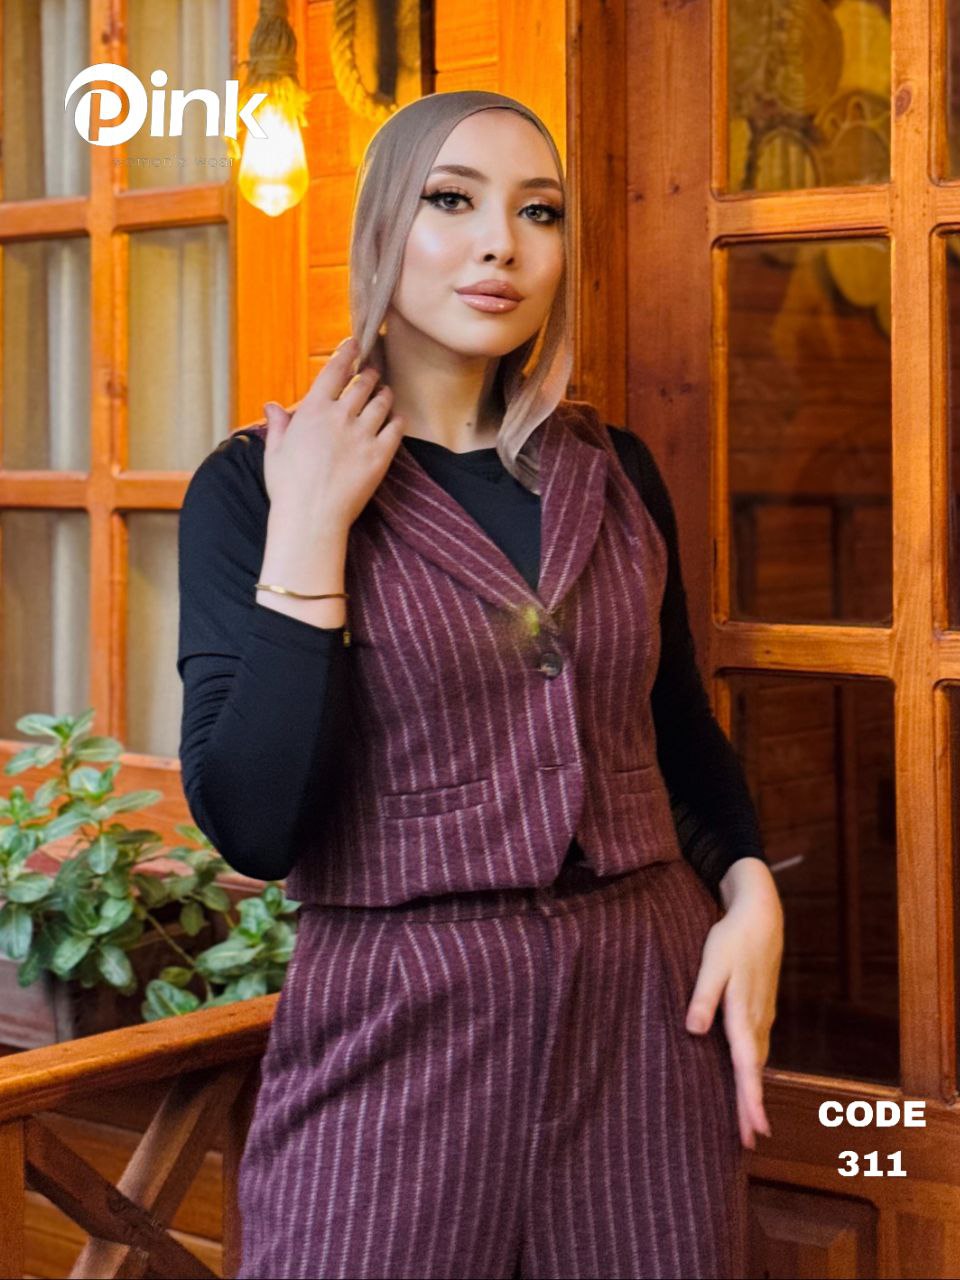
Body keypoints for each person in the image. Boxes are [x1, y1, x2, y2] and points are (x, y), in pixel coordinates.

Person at [177, 90, 784, 1280]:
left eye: (537, 211)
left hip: (646, 1018)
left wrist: (752, 886)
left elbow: (671, 731)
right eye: (451, 200)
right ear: (380, 228)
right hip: (396, 1025)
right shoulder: (253, 485)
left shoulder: (615, 473)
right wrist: (310, 528)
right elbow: (251, 820)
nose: (500, 242)